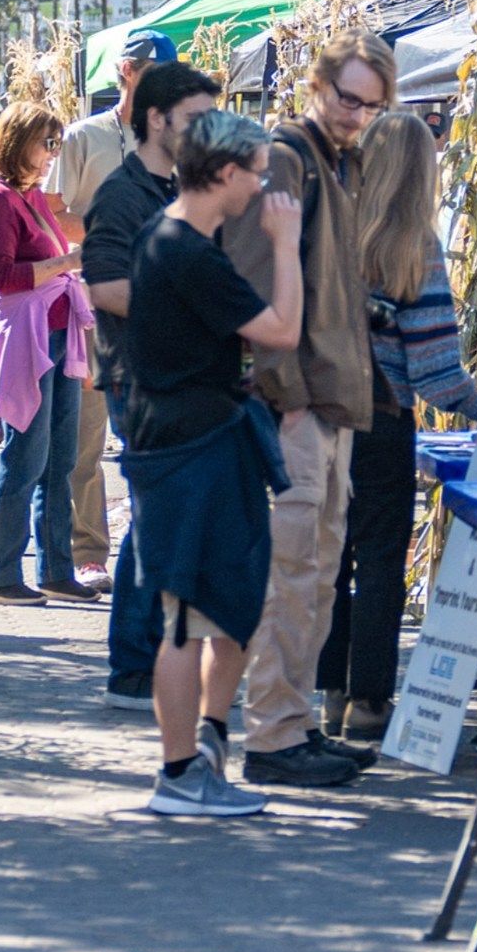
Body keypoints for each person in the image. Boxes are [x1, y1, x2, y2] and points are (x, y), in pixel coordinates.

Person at [220, 31, 394, 789]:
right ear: (316, 86)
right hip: (298, 404)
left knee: (316, 575)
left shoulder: (333, 161)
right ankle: (274, 737)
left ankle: (292, 727)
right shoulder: (289, 157)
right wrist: (284, 394)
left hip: (326, 402)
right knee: (292, 576)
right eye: (348, 98)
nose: (357, 114)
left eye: (372, 105)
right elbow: (259, 288)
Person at [124, 110, 302, 816]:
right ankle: (178, 775)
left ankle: (205, 746)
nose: (261, 187)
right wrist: (285, 246)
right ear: (225, 173)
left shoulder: (172, 237)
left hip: (197, 443)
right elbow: (281, 332)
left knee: (225, 606)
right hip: (189, 452)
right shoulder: (185, 249)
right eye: (256, 172)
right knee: (186, 613)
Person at [317, 111, 477, 744]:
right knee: (382, 561)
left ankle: (330, 694)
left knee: (330, 560)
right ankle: (368, 702)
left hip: (318, 417)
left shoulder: (328, 229)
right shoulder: (414, 244)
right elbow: (437, 371)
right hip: (382, 420)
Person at [84, 60, 220, 708]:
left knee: (166, 519)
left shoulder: (184, 192)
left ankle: (150, 663)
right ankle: (132, 668)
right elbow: (105, 288)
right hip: (138, 379)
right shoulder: (123, 193)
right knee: (153, 519)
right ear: (157, 117)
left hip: (181, 377)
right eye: (194, 119)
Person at [46, 29, 178, 591]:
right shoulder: (85, 137)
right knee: (86, 442)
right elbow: (50, 212)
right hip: (94, 310)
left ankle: (160, 553)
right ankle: (88, 551)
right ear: (126, 70)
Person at [0, 101, 99, 606]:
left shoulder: (33, 196)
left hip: (59, 335)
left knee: (61, 458)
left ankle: (54, 569)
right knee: (25, 457)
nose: (52, 155)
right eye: (47, 144)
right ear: (18, 140)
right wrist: (66, 262)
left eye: (55, 145)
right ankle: (0, 575)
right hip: (30, 339)